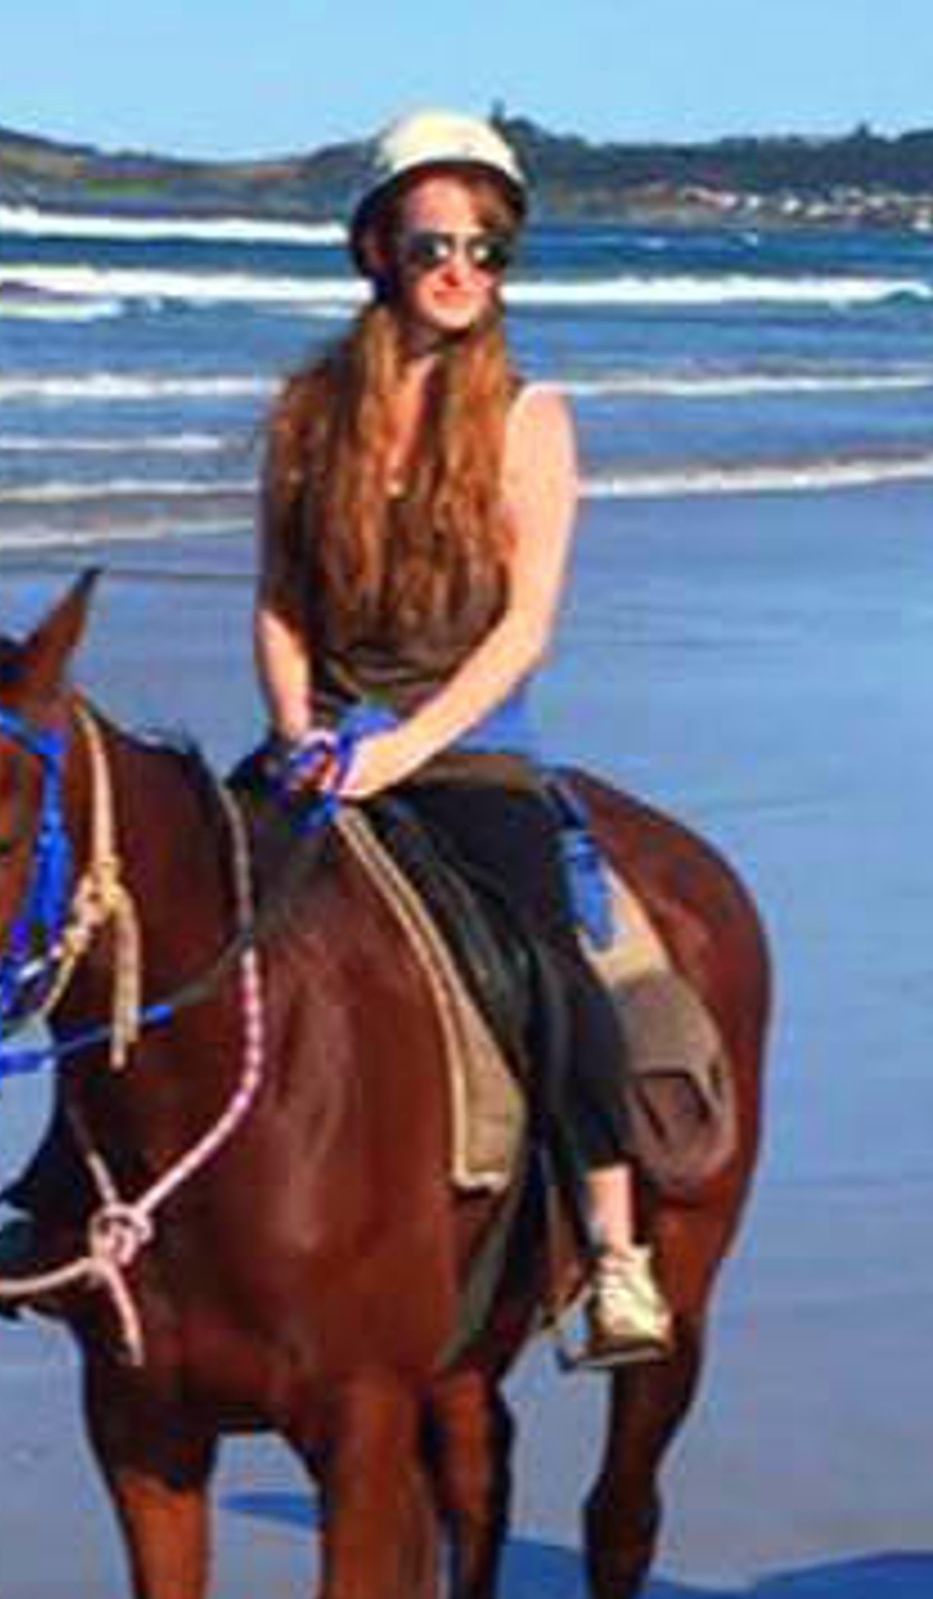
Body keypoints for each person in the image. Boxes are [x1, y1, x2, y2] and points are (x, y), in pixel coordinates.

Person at [257, 108, 670, 1369]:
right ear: (377, 248)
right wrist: (299, 737)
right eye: (433, 240)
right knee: (164, 926)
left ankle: (613, 1255)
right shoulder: (308, 412)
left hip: (469, 746)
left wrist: (401, 750)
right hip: (321, 742)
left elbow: (525, 626)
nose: (457, 268)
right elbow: (278, 603)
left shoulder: (529, 418)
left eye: (484, 247)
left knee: (545, 967)